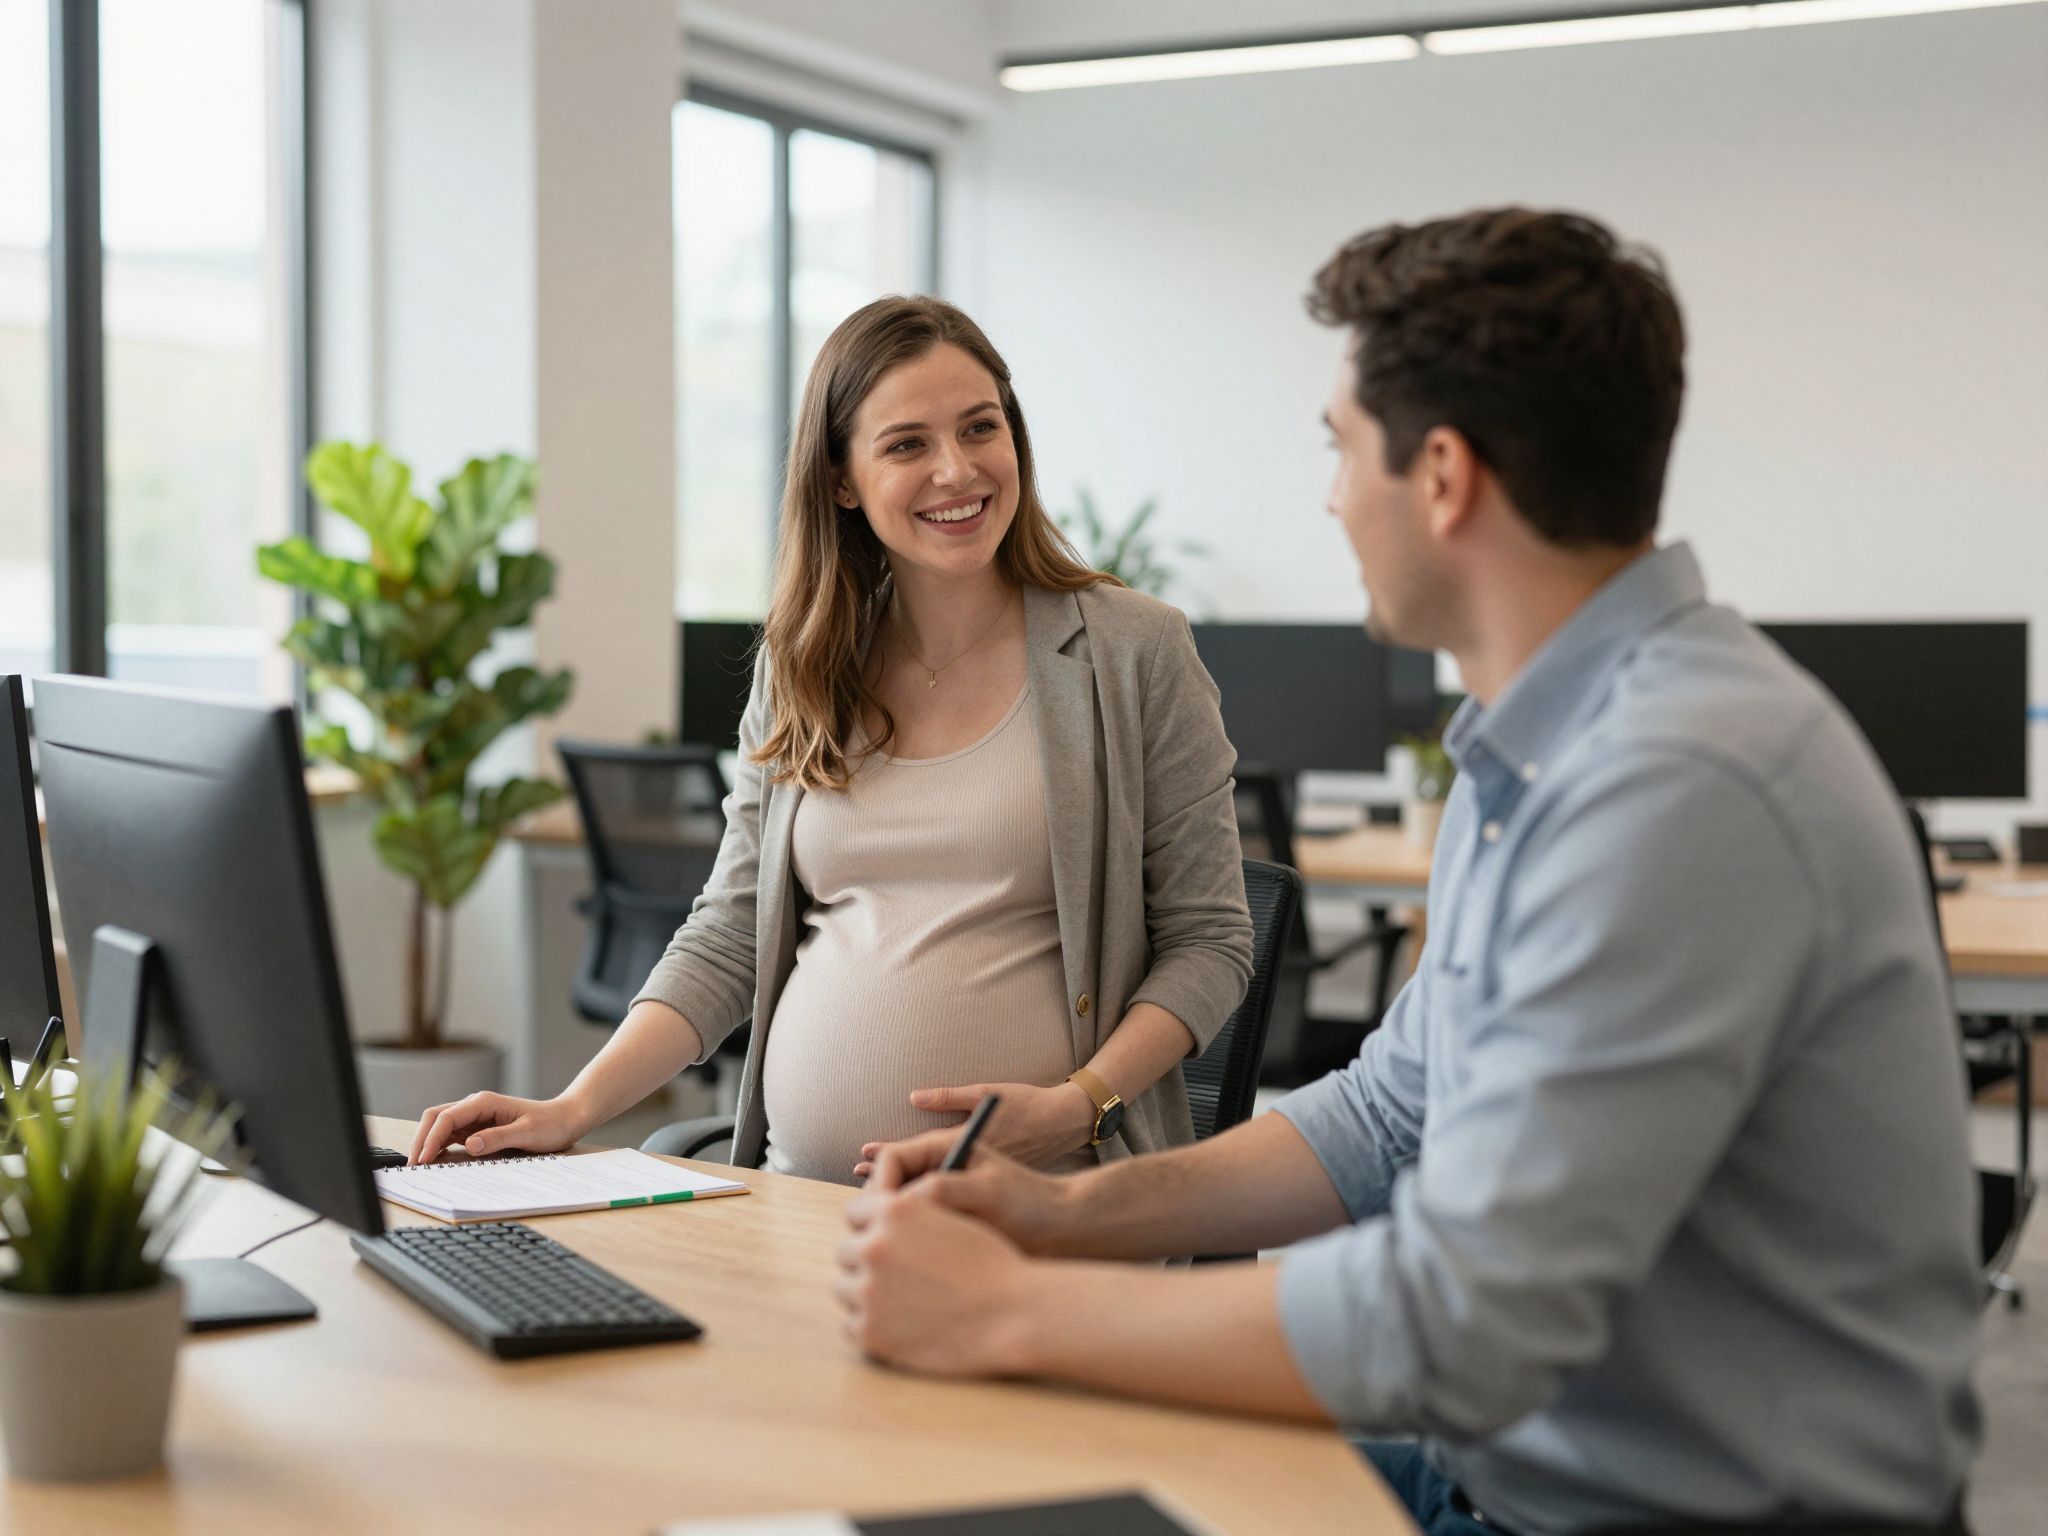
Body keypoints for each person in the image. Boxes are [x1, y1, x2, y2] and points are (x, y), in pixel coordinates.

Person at [834, 211, 1984, 1535]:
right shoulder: (1551, 750)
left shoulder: (1681, 781)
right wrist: (1054, 1215)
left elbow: (1467, 1317)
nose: (1329, 498)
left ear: (1441, 478)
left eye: (1339, 450)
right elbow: (1386, 1122)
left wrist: (1008, 1310)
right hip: (1503, 1471)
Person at [410, 296, 1253, 1185]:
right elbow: (734, 930)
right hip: (797, 1200)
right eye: (906, 445)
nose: (957, 470)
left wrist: (1081, 1104)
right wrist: (572, 1108)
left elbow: (1211, 941)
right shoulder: (804, 661)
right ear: (843, 477)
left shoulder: (1132, 650)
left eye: (980, 428)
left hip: (1048, 1196)